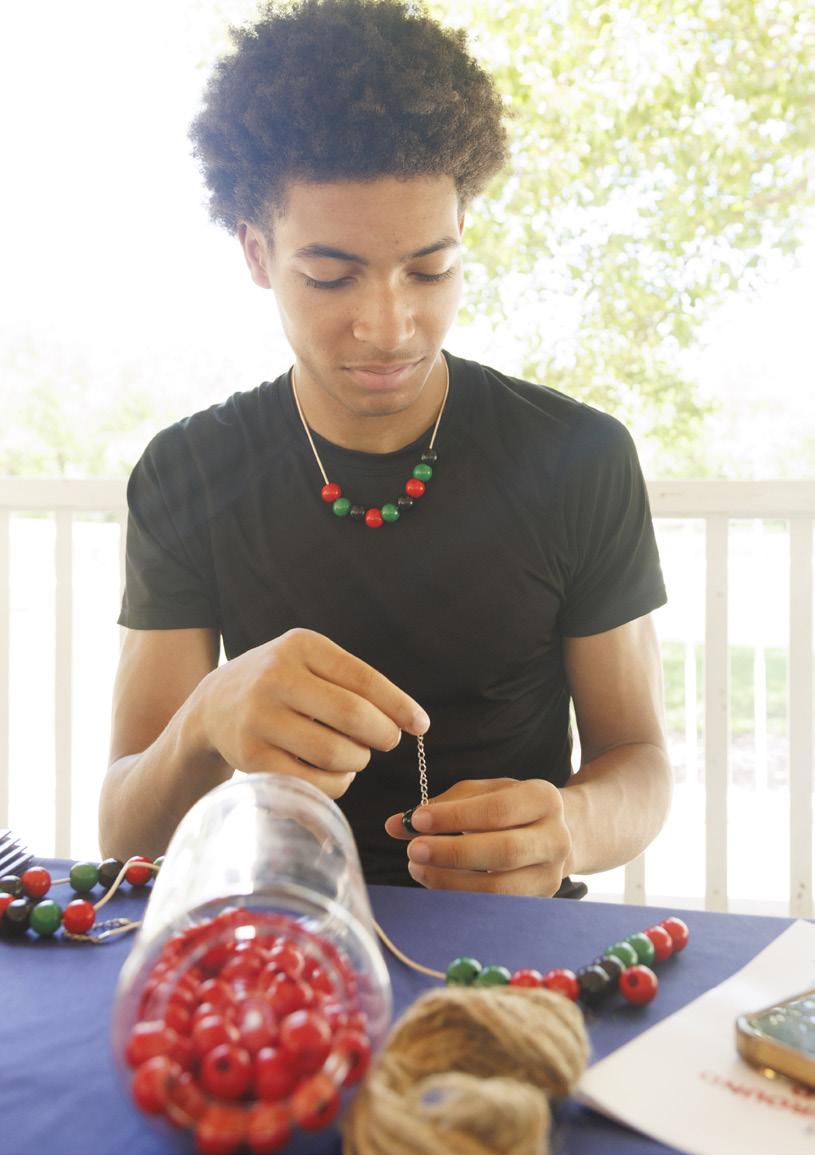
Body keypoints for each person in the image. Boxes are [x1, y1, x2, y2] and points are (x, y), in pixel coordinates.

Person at [99, 0, 672, 898]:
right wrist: (205, 717)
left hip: (510, 939)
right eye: (330, 276)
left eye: (428, 270)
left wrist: (569, 826)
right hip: (279, 939)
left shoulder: (579, 457)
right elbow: (125, 835)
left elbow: (637, 758)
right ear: (257, 253)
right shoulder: (188, 472)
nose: (389, 325)